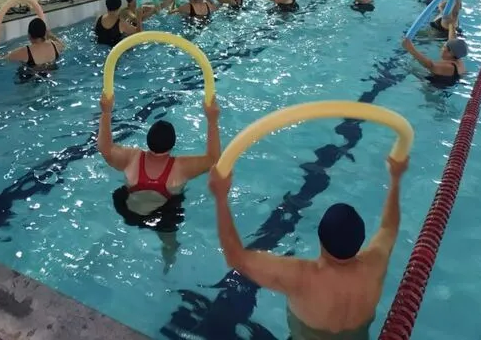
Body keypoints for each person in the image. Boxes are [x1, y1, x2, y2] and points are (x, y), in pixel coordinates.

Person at [208, 154, 409, 340]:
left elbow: (235, 257)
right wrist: (396, 178)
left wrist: (220, 197)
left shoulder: (301, 277)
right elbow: (389, 227)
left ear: (320, 239)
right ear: (361, 240)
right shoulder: (375, 264)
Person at [98, 94, 221, 271]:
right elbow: (214, 158)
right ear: (172, 145)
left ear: (148, 140)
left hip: (128, 211)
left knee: (120, 192)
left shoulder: (132, 158)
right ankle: (168, 263)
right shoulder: (180, 167)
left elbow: (105, 148)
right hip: (163, 218)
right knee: (170, 242)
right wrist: (212, 120)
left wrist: (106, 112)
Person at [0, 18, 64, 81]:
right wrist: (51, 36)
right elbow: (63, 45)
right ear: (45, 33)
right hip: (52, 74)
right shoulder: (55, 45)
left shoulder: (25, 51)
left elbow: (1, 59)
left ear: (29, 35)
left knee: (21, 70)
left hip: (31, 77)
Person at [402, 23, 467, 86]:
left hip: (436, 89)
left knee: (409, 68)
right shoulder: (458, 57)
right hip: (448, 80)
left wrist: (410, 48)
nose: (442, 49)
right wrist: (451, 25)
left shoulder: (449, 67)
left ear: (451, 53)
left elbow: (429, 65)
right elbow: (452, 41)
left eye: (444, 47)